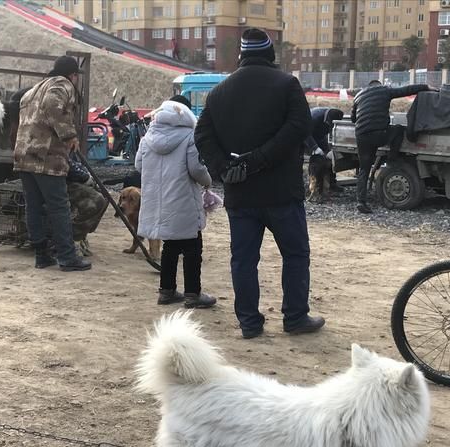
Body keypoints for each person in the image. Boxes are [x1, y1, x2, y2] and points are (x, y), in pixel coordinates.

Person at [194, 28, 324, 338]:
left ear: (241, 55)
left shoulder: (219, 92)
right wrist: (261, 159)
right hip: (282, 192)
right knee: (295, 255)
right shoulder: (287, 85)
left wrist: (224, 168)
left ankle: (250, 323)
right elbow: (299, 126)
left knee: (243, 260)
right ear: (270, 55)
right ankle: (295, 318)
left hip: (241, 194)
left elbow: (202, 136)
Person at [136, 95, 216, 309]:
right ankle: (193, 294)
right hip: (183, 200)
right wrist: (208, 181)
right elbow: (196, 169)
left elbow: (138, 165)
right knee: (192, 248)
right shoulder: (190, 136)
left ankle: (167, 291)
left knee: (170, 246)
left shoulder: (148, 136)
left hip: (159, 202)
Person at [14, 55, 91, 271]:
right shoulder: (62, 84)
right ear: (73, 75)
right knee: (59, 207)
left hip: (25, 155)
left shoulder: (34, 89)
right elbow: (52, 104)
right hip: (46, 158)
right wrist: (69, 135)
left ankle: (42, 255)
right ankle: (67, 256)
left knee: (34, 207)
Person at [351, 79, 434, 214]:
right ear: (379, 85)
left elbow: (354, 119)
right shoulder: (384, 90)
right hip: (380, 133)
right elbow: (405, 90)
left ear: (368, 86)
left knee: (364, 169)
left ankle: (361, 202)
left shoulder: (358, 95)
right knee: (398, 129)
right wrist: (425, 86)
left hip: (362, 136)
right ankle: (392, 159)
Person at [304, 107, 345, 198]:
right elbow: (305, 133)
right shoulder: (314, 117)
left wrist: (330, 148)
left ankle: (332, 184)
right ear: (327, 119)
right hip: (304, 135)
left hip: (319, 136)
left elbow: (330, 133)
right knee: (316, 160)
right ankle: (313, 188)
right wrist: (314, 148)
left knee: (328, 159)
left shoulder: (334, 116)